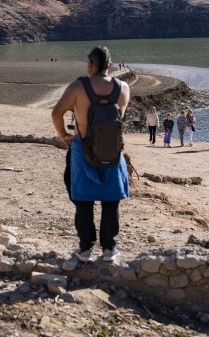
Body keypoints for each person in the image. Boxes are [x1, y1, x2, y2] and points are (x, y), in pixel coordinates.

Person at [51, 45, 131, 267]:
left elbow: (56, 113)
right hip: (112, 151)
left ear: (90, 64)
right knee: (110, 201)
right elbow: (119, 118)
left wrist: (65, 136)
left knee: (83, 201)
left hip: (82, 149)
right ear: (110, 65)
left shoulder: (78, 87)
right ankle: (109, 247)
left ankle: (85, 247)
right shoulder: (123, 88)